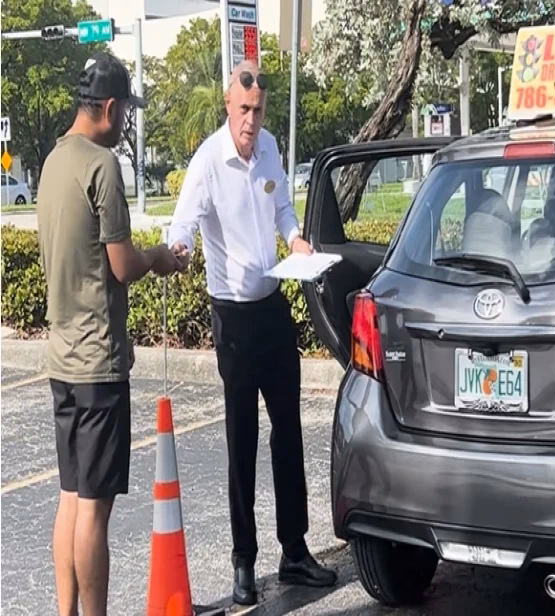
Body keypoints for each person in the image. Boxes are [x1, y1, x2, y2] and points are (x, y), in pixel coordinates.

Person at [168, 60, 337, 606]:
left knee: (288, 429)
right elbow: (183, 224)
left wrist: (295, 240)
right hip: (233, 317)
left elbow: (284, 208)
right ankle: (244, 561)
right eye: (244, 111)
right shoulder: (208, 161)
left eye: (259, 111)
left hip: (271, 307)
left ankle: (294, 551)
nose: (251, 121)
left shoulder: (268, 151)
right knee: (241, 438)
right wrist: (181, 251)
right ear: (228, 105)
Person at [36, 52, 187, 616]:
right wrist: (163, 259)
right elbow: (122, 264)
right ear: (107, 107)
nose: (126, 122)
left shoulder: (53, 162)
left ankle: (67, 612)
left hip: (60, 361)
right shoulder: (101, 166)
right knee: (95, 509)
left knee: (70, 497)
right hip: (98, 362)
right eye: (124, 110)